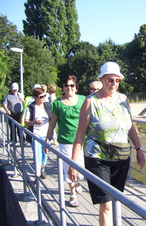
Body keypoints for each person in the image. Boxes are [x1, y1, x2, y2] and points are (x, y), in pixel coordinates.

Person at [68, 61, 145, 225]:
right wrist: (73, 163)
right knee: (106, 205)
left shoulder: (124, 99)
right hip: (98, 158)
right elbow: (80, 135)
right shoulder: (91, 102)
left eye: (117, 80)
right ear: (102, 79)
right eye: (110, 80)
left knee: (116, 200)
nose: (114, 84)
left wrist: (139, 149)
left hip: (121, 158)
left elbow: (130, 128)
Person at [45, 75, 85, 207]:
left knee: (79, 169)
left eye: (72, 85)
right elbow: (52, 123)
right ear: (63, 87)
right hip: (66, 141)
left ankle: (77, 183)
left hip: (82, 141)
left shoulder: (83, 100)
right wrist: (47, 139)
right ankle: (73, 194)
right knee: (69, 168)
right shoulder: (57, 103)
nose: (69, 88)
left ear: (76, 87)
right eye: (66, 85)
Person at [24, 88, 51, 179]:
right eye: (41, 96)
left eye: (44, 96)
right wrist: (34, 122)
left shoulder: (47, 106)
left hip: (46, 135)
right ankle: (38, 174)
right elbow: (26, 122)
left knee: (45, 155)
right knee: (37, 155)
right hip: (35, 135)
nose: (43, 98)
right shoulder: (31, 107)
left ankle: (42, 169)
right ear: (35, 97)